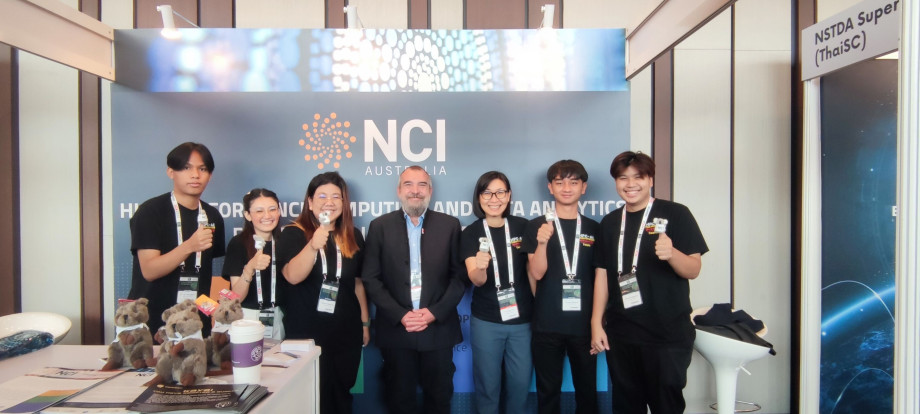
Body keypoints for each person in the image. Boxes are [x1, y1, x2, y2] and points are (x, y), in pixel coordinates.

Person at [590, 151, 708, 414]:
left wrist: (672, 254)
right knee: (626, 405)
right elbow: (602, 276)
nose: (630, 184)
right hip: (622, 334)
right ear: (616, 182)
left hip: (667, 335)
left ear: (650, 179)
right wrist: (596, 323)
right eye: (623, 178)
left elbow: (694, 269)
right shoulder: (610, 223)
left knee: (666, 405)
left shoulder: (676, 214)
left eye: (638, 177)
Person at [361, 166, 466, 414]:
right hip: (397, 329)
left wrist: (434, 312)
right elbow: (370, 278)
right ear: (399, 190)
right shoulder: (380, 226)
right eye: (408, 184)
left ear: (430, 190)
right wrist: (400, 314)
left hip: (438, 329)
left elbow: (460, 277)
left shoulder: (450, 225)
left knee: (439, 400)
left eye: (421, 185)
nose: (415, 191)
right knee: (399, 400)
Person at [276, 172, 370, 414]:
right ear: (309, 202)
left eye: (336, 196)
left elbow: (357, 283)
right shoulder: (294, 233)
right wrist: (312, 245)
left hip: (346, 331)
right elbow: (292, 276)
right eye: (322, 195)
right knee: (312, 396)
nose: (330, 201)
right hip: (307, 331)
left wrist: (364, 323)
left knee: (342, 394)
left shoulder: (353, 235)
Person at [524, 159, 599, 414]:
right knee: (548, 392)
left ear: (584, 187)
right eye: (559, 182)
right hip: (547, 323)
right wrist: (542, 243)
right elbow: (536, 272)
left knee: (587, 391)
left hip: (584, 325)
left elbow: (601, 279)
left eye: (573, 182)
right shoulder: (536, 226)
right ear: (550, 187)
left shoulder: (594, 229)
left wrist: (598, 322)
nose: (566, 188)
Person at [128, 142, 225, 336]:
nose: (195, 175)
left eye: (202, 169)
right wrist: (189, 246)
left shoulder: (212, 216)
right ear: (171, 172)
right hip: (152, 323)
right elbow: (149, 270)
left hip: (194, 323)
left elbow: (206, 273)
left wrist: (212, 311)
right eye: (186, 168)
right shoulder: (151, 212)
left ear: (210, 175)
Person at [461, 171, 534, 414]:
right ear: (479, 198)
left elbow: (534, 274)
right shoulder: (471, 233)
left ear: (509, 195)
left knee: (520, 386)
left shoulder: (523, 227)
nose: (494, 198)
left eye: (500, 192)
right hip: (487, 321)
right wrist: (481, 267)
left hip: (522, 322)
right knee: (487, 388)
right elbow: (477, 280)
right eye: (487, 192)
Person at [221, 188, 284, 339]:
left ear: (279, 212)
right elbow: (235, 298)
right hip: (247, 317)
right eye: (259, 211)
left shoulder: (284, 242)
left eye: (272, 209)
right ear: (248, 215)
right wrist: (249, 268)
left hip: (279, 317)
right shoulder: (238, 244)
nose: (267, 216)